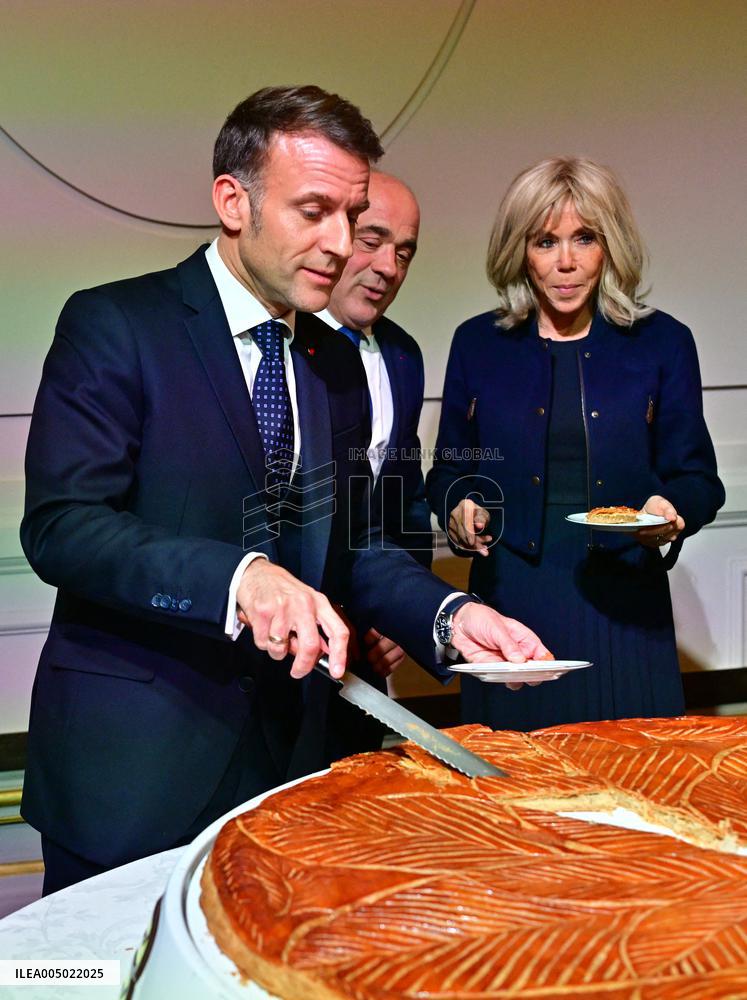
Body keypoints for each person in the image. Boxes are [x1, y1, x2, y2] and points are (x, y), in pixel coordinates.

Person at [21, 85, 550, 894]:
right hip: (132, 768)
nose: (342, 245)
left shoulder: (334, 364)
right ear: (233, 202)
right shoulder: (116, 327)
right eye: (314, 212)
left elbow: (358, 542)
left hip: (289, 768)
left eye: (353, 213)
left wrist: (449, 616)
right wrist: (239, 578)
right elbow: (64, 526)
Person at [426, 155, 725, 733]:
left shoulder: (663, 343)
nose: (565, 262)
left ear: (609, 245)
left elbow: (698, 479)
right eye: (545, 241)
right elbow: (449, 472)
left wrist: (671, 509)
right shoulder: (477, 344)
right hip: (510, 612)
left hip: (626, 611)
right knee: (516, 806)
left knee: (633, 796)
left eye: (583, 238)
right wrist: (458, 507)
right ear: (520, 251)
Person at [317, 170, 432, 686]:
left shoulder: (404, 355)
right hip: (275, 647)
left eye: (404, 253)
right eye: (372, 241)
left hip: (367, 655)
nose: (388, 267)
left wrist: (401, 617)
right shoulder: (274, 351)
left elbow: (404, 499)